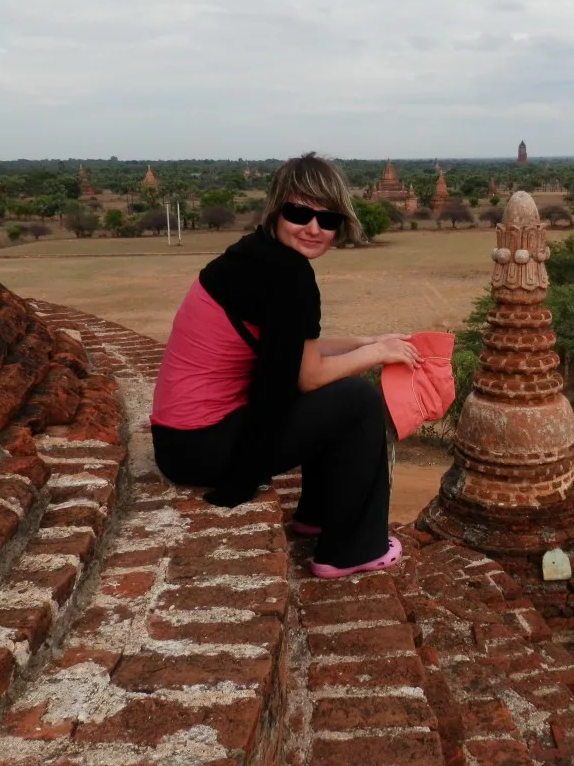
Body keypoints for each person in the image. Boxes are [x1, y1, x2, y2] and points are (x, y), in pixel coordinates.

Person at [150, 153, 420, 578]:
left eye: (327, 220)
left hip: (181, 443)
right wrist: (374, 356)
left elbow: (293, 348)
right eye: (299, 213)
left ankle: (317, 515)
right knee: (357, 399)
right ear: (277, 209)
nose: (314, 228)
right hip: (203, 447)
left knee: (335, 393)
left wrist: (368, 340)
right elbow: (308, 374)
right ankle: (351, 549)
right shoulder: (288, 278)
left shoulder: (253, 256)